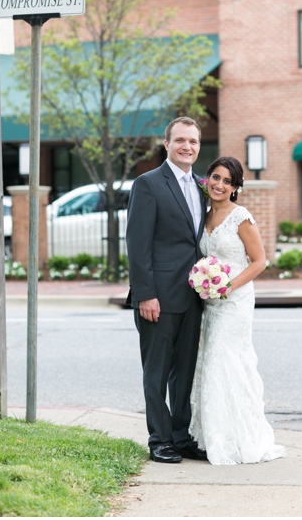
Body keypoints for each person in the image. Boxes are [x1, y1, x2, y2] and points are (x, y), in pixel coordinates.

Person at [188, 156, 286, 465]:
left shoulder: (240, 217)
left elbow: (259, 261)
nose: (219, 184)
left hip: (235, 302)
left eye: (227, 181)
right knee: (209, 363)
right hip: (209, 303)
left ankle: (231, 440)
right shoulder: (202, 217)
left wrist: (227, 286)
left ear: (235, 187)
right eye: (216, 177)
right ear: (208, 179)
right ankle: (211, 437)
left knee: (222, 359)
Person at [126, 116, 207, 464]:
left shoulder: (203, 186)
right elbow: (137, 242)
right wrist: (145, 293)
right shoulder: (148, 184)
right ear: (167, 144)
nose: (187, 146)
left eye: (193, 141)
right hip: (157, 296)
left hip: (193, 296)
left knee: (185, 371)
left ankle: (180, 435)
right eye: (180, 140)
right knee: (156, 373)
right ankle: (159, 439)